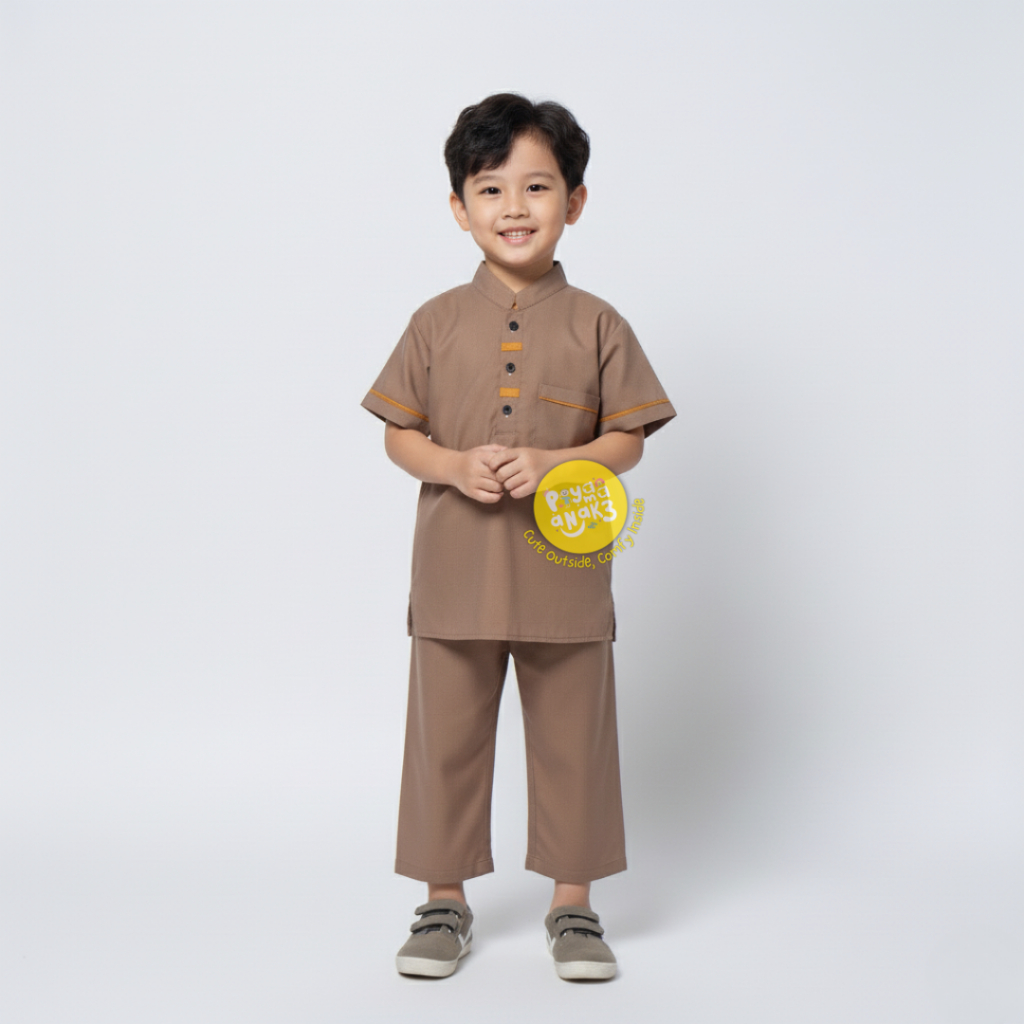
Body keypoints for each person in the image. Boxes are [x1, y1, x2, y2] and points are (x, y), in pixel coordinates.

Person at [361, 93, 675, 981]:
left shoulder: (599, 322)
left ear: (575, 201)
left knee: (575, 741)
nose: (514, 207)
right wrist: (453, 465)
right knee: (446, 740)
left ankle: (573, 906)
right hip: (455, 573)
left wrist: (556, 462)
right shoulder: (433, 321)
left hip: (563, 570)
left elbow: (627, 440)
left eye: (536, 187)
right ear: (458, 207)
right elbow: (398, 434)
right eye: (490, 188)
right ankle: (443, 902)